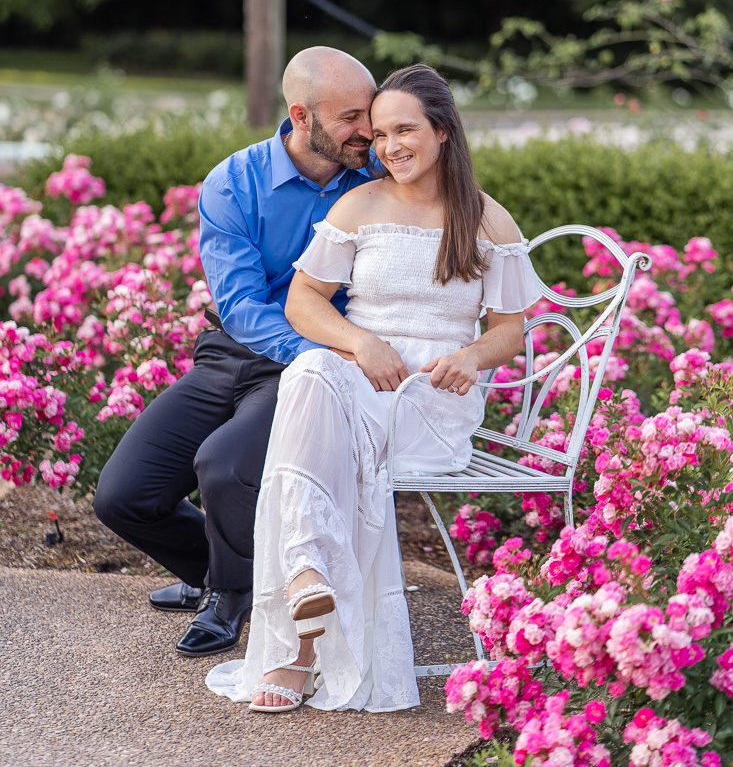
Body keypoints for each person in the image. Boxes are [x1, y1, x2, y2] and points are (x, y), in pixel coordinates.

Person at [205, 63, 542, 713]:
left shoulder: (486, 218)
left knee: (319, 416)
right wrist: (360, 342)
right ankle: (306, 573)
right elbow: (304, 304)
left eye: (404, 129)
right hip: (362, 376)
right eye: (380, 133)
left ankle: (297, 649)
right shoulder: (359, 204)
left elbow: (509, 332)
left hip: (431, 399)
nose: (389, 146)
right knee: (310, 371)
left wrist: (470, 356)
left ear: (442, 130)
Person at [93, 47, 379, 657]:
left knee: (223, 466)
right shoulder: (235, 181)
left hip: (318, 368)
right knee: (123, 496)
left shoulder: (380, 177)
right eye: (352, 116)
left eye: (371, 111)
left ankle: (229, 598)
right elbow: (242, 305)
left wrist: (326, 358)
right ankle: (224, 573)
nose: (370, 129)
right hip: (237, 350)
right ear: (302, 116)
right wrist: (312, 345)